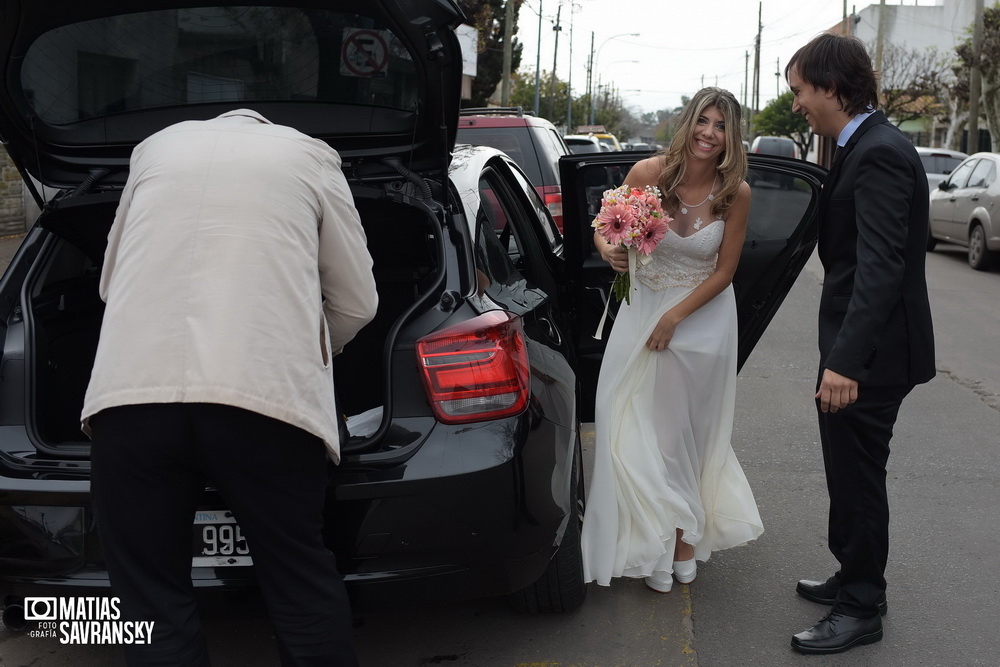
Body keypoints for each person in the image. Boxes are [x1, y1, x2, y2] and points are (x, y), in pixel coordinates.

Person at [82, 109, 378, 666]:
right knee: (299, 582)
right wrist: (309, 348)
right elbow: (359, 303)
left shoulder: (153, 151)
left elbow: (108, 281)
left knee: (149, 605)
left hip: (131, 398)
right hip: (264, 400)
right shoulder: (310, 156)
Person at [784, 34, 935, 655]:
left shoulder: (878, 153)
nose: (796, 105)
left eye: (799, 92)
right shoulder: (859, 144)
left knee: (858, 473)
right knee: (847, 470)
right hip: (859, 345)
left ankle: (861, 605)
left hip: (870, 354)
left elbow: (881, 267)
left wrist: (845, 363)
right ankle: (854, 571)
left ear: (832, 88)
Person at [581, 87, 762, 593]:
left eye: (721, 126)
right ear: (688, 123)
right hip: (642, 312)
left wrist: (676, 318)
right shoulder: (648, 175)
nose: (709, 134)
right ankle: (649, 537)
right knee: (625, 423)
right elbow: (605, 227)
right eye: (703, 121)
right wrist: (611, 252)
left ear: (732, 136)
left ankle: (681, 540)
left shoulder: (736, 193)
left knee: (680, 435)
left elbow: (725, 271)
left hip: (701, 320)